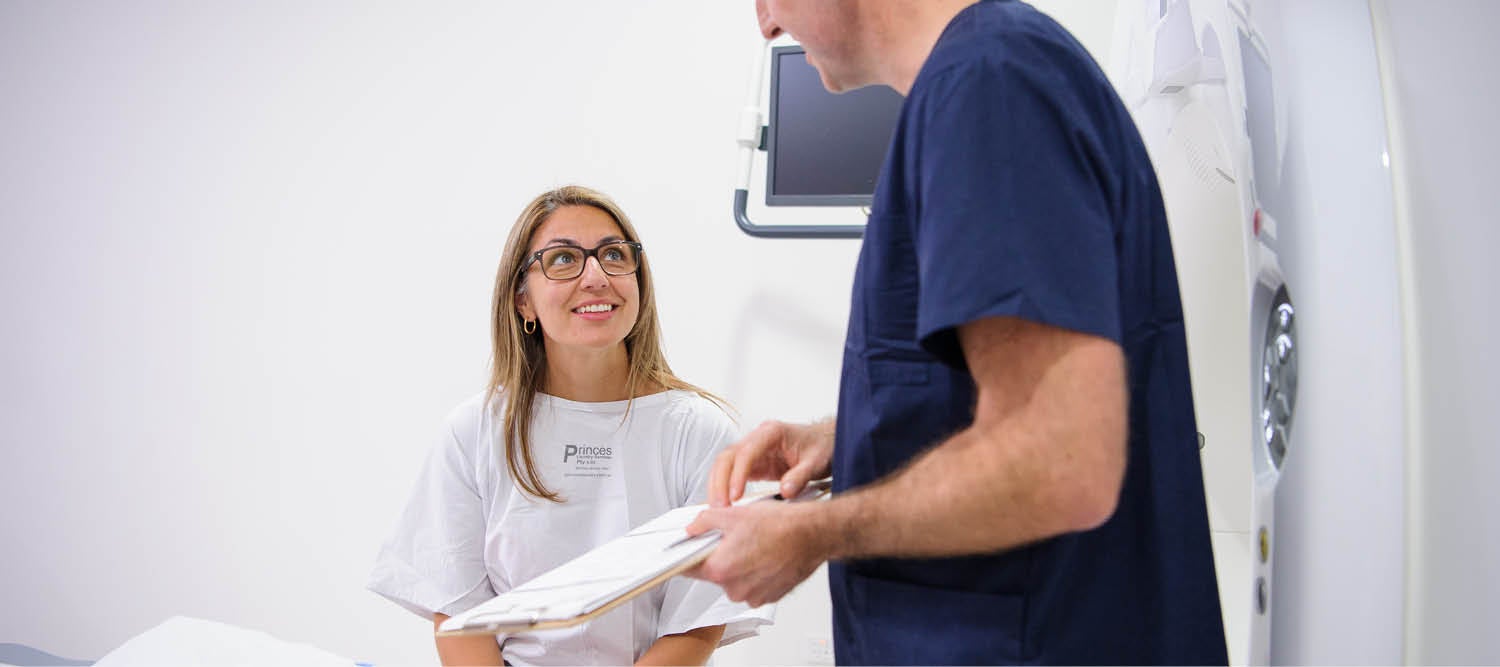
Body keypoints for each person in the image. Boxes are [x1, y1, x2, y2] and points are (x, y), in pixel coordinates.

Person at [685, 0, 1228, 664]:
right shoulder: (981, 80)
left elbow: (1062, 461)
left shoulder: (988, 87)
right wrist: (847, 438)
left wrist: (809, 533)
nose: (766, 24)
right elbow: (996, 387)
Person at [369, 186, 770, 666]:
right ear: (523, 299)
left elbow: (695, 624)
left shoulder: (698, 431)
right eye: (563, 259)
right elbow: (458, 616)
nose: (597, 276)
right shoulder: (474, 432)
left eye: (614, 254)